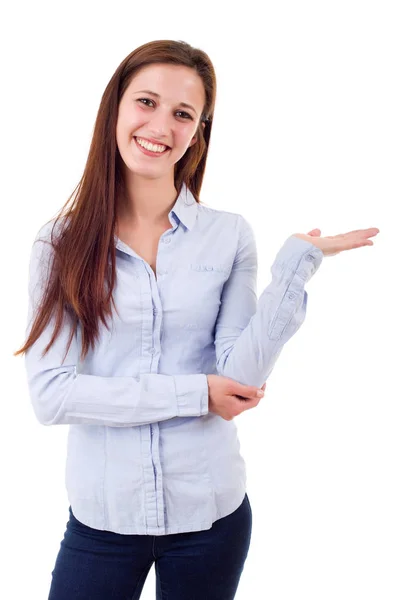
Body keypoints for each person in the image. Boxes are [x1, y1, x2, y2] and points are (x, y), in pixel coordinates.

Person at [14, 39, 379, 600]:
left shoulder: (230, 234)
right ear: (115, 108)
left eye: (183, 113)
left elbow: (242, 375)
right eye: (146, 102)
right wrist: (194, 395)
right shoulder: (58, 244)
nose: (161, 125)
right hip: (102, 521)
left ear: (198, 132)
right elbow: (53, 397)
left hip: (211, 515)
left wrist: (294, 269)